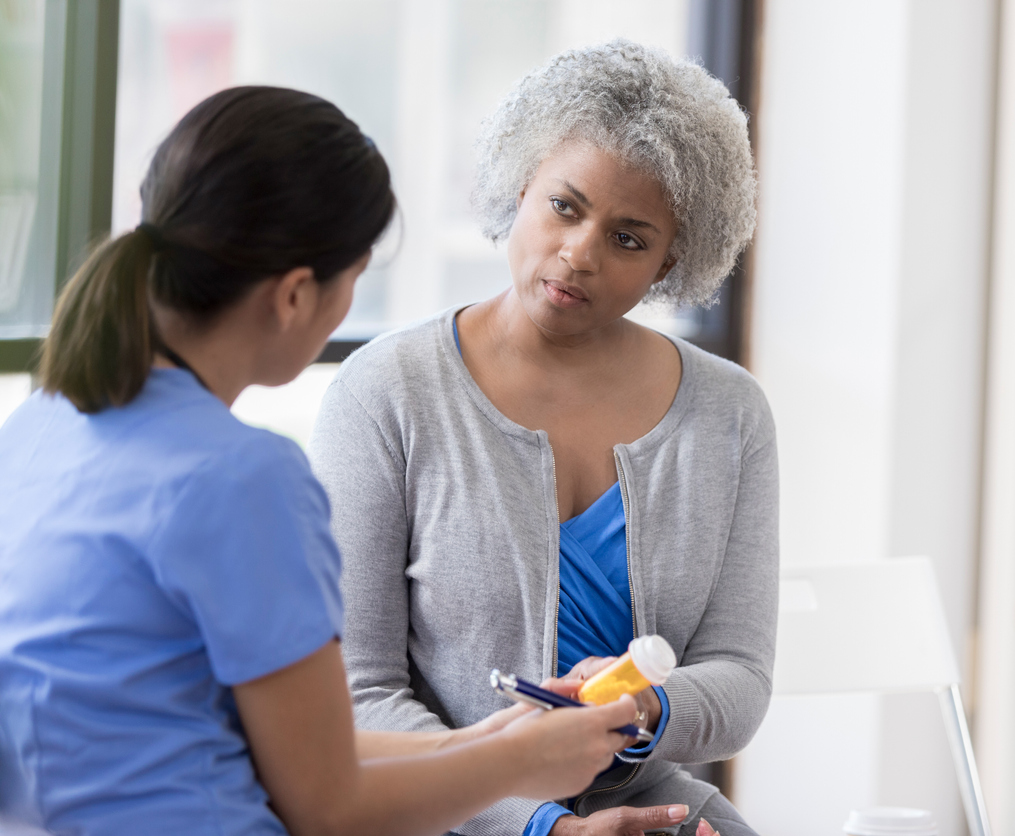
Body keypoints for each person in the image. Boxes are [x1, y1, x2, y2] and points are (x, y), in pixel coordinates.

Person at [0, 86, 649, 836]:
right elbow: (328, 806)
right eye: (354, 280)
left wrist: (495, 741)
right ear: (295, 295)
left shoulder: (43, 424)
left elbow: (277, 753)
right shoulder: (243, 478)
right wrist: (523, 768)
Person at [308, 40, 776, 836]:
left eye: (629, 238)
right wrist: (538, 826)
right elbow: (356, 697)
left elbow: (739, 678)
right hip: (439, 811)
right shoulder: (385, 392)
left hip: (651, 810)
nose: (579, 253)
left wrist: (649, 705)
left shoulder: (729, 413)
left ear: (672, 261)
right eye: (565, 206)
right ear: (521, 186)